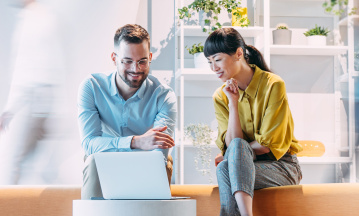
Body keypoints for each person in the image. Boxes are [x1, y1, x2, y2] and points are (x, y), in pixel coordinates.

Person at [204, 28, 303, 216]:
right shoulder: (220, 96)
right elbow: (233, 145)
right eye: (209, 62)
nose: (213, 68)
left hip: (282, 167)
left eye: (217, 59)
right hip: (242, 166)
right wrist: (233, 103)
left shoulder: (273, 85)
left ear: (239, 54)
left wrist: (234, 155)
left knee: (231, 159)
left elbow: (266, 145)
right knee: (228, 162)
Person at [78, 24, 177, 200]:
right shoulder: (92, 86)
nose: (135, 69)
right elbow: (89, 144)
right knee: (93, 160)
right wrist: (135, 142)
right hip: (104, 163)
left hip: (147, 164)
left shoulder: (164, 95)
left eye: (142, 61)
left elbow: (158, 152)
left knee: (162, 163)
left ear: (150, 57)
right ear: (114, 58)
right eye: (127, 61)